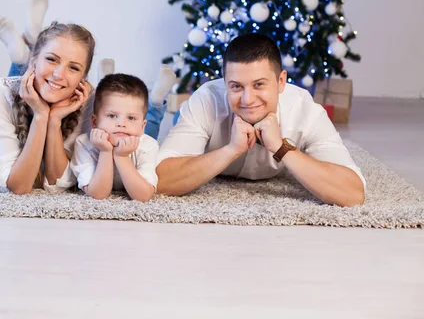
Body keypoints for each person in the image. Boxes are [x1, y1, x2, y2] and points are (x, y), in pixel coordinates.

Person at [0, 0, 176, 194]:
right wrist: (40, 115)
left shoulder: (87, 100)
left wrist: (54, 120)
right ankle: (25, 49)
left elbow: (59, 182)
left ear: (83, 76)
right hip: (2, 120)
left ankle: (28, 43)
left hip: (46, 93)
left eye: (73, 68)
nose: (58, 74)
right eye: (51, 59)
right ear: (35, 58)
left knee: (42, 80)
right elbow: (19, 186)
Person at [155, 33, 366, 207]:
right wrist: (230, 150)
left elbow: (353, 193)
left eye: (259, 85)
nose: (247, 100)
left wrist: (282, 148)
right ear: (225, 81)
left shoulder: (306, 111)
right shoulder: (205, 100)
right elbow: (159, 179)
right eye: (236, 86)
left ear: (281, 81)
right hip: (198, 129)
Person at [71, 74, 158, 202]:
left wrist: (122, 157)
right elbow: (98, 194)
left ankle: (157, 101)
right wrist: (105, 152)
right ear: (94, 122)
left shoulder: (149, 146)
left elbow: (143, 196)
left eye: (131, 118)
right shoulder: (84, 143)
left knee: (155, 129)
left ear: (142, 126)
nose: (121, 124)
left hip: (141, 140)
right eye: (112, 116)